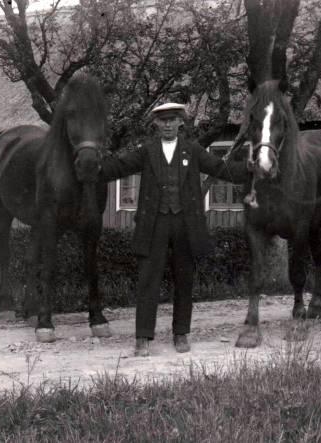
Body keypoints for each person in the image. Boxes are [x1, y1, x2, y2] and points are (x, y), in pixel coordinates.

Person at [101, 102, 248, 356]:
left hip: (185, 225)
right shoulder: (147, 151)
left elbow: (220, 168)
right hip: (153, 225)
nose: (168, 125)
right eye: (163, 120)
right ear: (155, 124)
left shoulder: (192, 150)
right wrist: (89, 165)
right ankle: (143, 337)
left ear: (181, 122)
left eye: (173, 120)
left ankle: (181, 334)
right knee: (148, 281)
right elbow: (118, 167)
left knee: (184, 281)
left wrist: (251, 169)